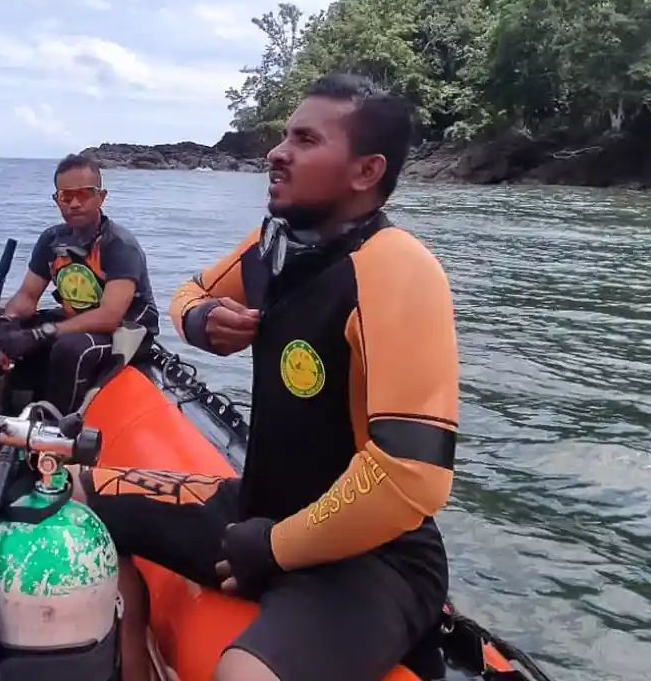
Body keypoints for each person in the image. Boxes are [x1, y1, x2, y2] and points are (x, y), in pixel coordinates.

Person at [72, 73, 460, 681]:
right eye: (284, 135)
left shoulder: (398, 270)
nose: (278, 151)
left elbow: (411, 480)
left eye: (305, 139)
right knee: (72, 493)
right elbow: (190, 293)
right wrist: (204, 323)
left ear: (366, 171)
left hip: (370, 556)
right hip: (257, 509)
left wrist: (275, 548)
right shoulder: (276, 244)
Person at [0, 152, 159, 416]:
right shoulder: (52, 240)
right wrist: (6, 325)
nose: (74, 204)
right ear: (57, 199)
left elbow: (110, 316)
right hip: (75, 318)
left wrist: (42, 332)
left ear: (101, 197)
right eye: (66, 196)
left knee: (70, 348)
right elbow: (27, 296)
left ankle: (54, 430)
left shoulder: (119, 245)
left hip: (126, 331)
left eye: (84, 194)